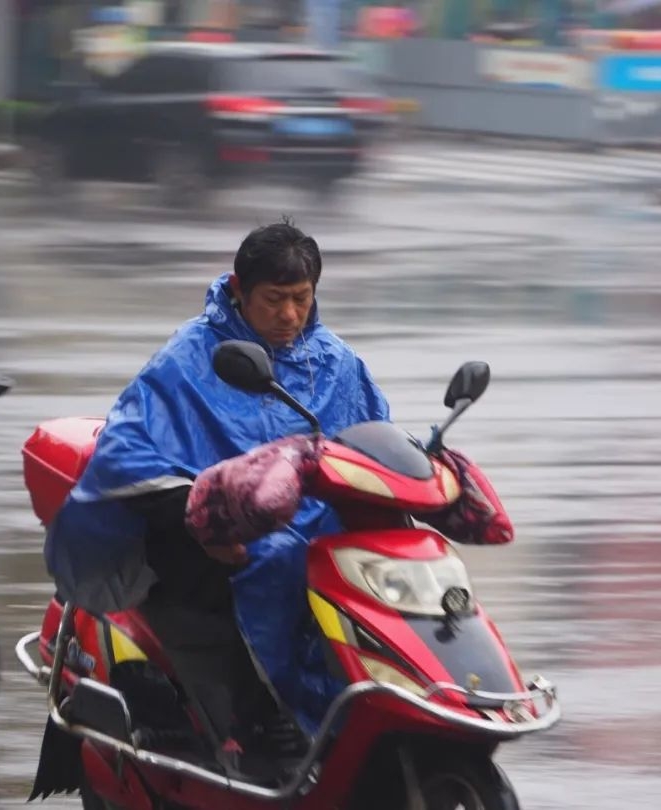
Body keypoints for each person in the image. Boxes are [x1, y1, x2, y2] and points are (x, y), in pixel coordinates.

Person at [44, 219, 513, 779]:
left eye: (301, 298)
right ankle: (258, 720)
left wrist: (424, 468)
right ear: (240, 291)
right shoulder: (190, 358)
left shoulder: (336, 360)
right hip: (212, 529)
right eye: (274, 300)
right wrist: (207, 512)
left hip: (315, 521)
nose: (289, 315)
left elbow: (370, 438)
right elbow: (127, 454)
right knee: (272, 561)